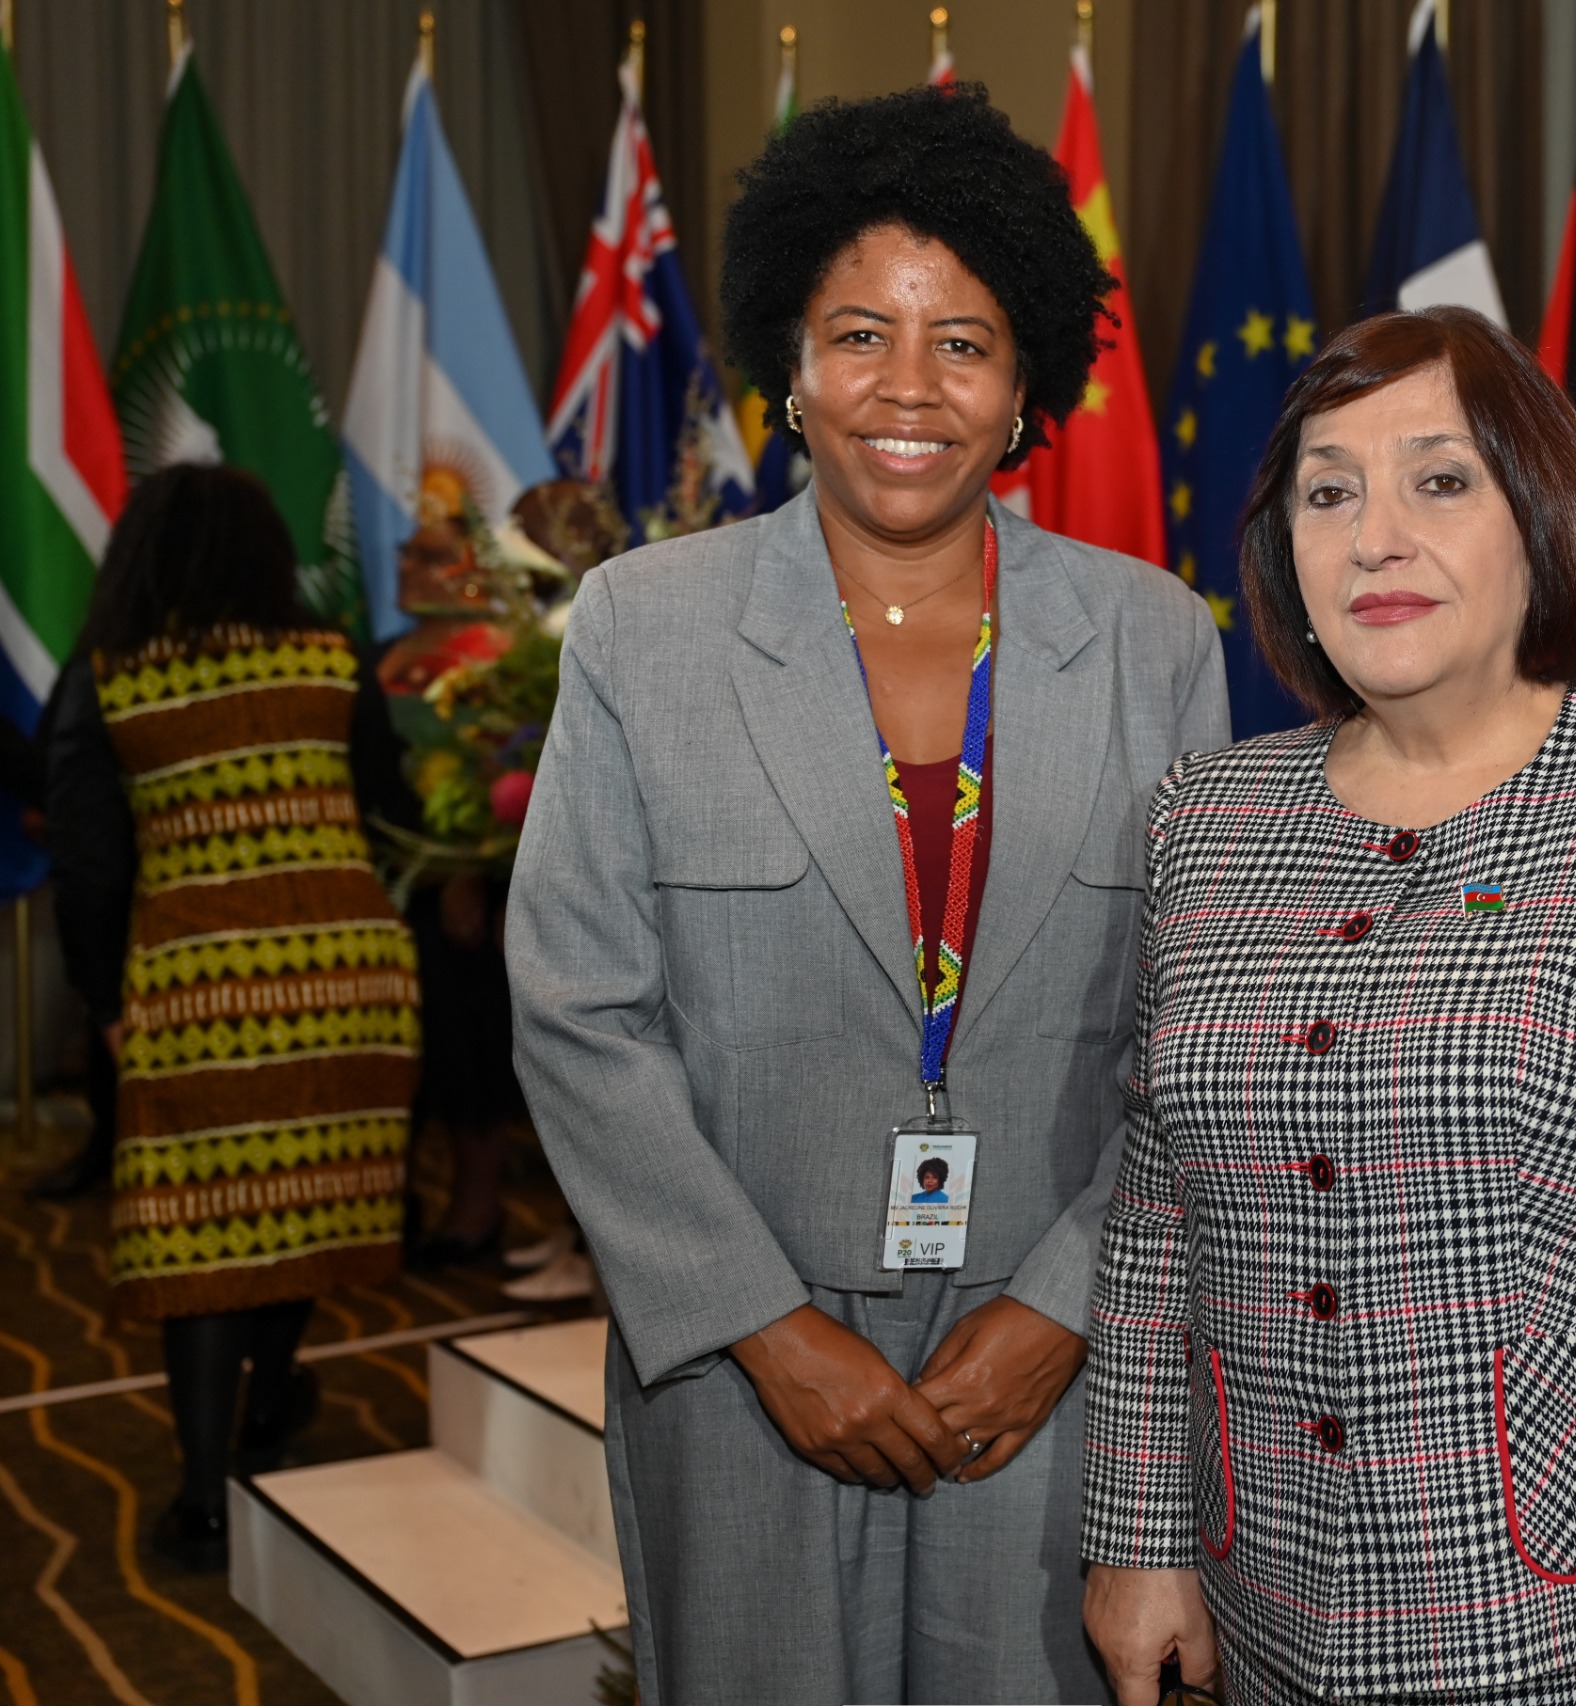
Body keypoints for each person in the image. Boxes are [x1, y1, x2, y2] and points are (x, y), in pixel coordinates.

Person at [507, 83, 1227, 1705]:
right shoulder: (640, 627)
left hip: (1056, 1365)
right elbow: (576, 1009)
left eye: (962, 343)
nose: (909, 387)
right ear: (791, 364)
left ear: (1025, 382)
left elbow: (1198, 1028)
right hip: (739, 1368)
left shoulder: (1155, 640)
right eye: (859, 336)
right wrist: (766, 1326)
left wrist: (1064, 1306)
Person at [1081, 309, 1576, 1706]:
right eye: (1330, 492)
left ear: (1539, 515)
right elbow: (1157, 1223)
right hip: (1264, 1597)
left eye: (1440, 480)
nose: (1375, 538)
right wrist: (1138, 1534)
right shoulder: (1205, 815)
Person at [47, 465, 420, 1570]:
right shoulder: (331, 660)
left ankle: (205, 1496)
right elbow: (391, 808)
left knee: (202, 1227)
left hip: (203, 992)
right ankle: (269, 1401)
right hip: (349, 983)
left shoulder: (115, 681)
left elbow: (89, 863)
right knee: (302, 1202)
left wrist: (104, 1003)